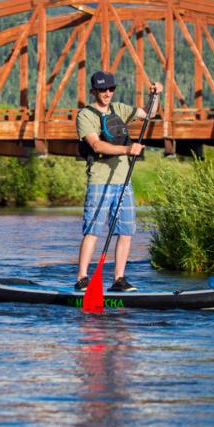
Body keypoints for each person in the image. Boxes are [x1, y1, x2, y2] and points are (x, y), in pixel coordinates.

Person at [74, 71, 162, 292]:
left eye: (111, 89)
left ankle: (118, 279)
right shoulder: (85, 115)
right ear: (94, 91)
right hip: (100, 181)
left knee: (125, 232)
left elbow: (150, 113)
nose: (107, 93)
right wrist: (127, 149)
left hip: (124, 182)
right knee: (92, 230)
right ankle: (82, 279)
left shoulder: (120, 109)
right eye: (102, 89)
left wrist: (157, 95)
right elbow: (96, 145)